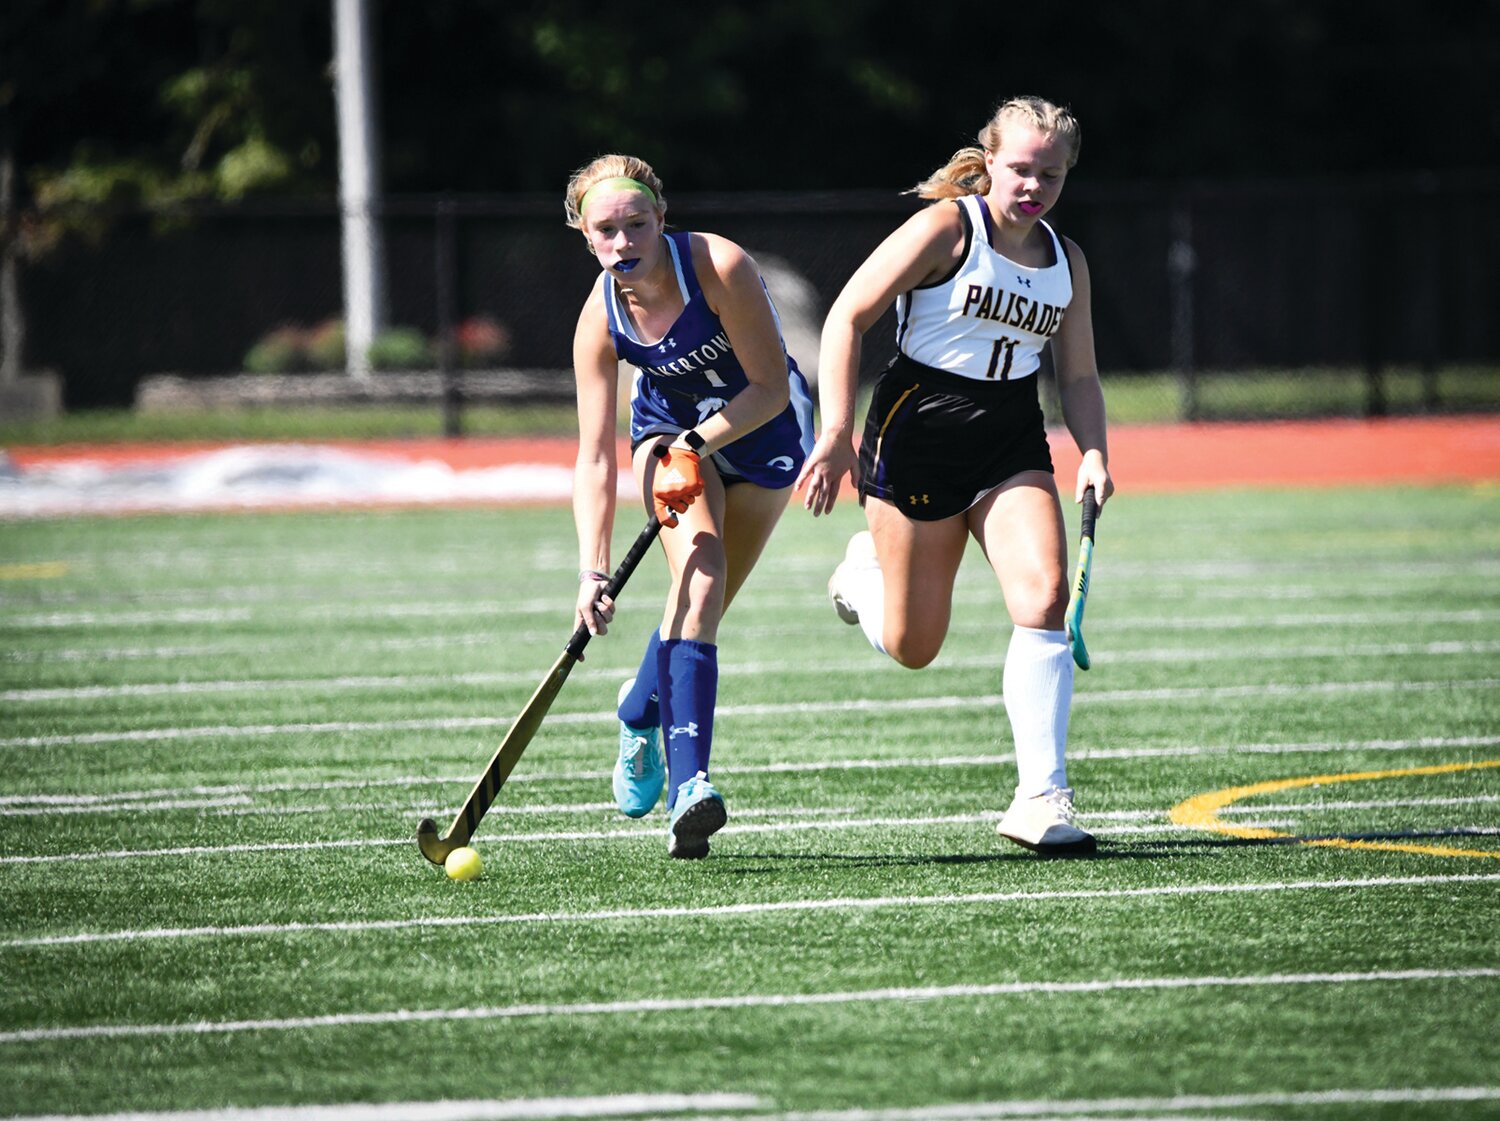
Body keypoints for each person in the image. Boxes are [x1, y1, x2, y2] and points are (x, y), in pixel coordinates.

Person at [795, 96, 1114, 856]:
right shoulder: (948, 227)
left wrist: (1095, 450)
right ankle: (860, 579)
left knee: (1045, 595)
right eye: (1022, 169)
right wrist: (835, 431)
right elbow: (846, 316)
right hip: (917, 430)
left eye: (1052, 174)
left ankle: (1041, 795)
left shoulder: (1067, 260)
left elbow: (1078, 375)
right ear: (991, 162)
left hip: (1010, 435)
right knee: (913, 643)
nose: (1034, 186)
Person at [565, 154, 815, 859]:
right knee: (699, 577)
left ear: (660, 220)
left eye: (635, 224)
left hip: (762, 433)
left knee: (703, 603)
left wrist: (698, 444)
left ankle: (638, 706)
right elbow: (593, 455)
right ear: (586, 238)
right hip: (664, 439)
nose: (623, 243)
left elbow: (768, 386)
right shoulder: (599, 319)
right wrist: (593, 570)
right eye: (605, 231)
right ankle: (690, 788)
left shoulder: (717, 266)